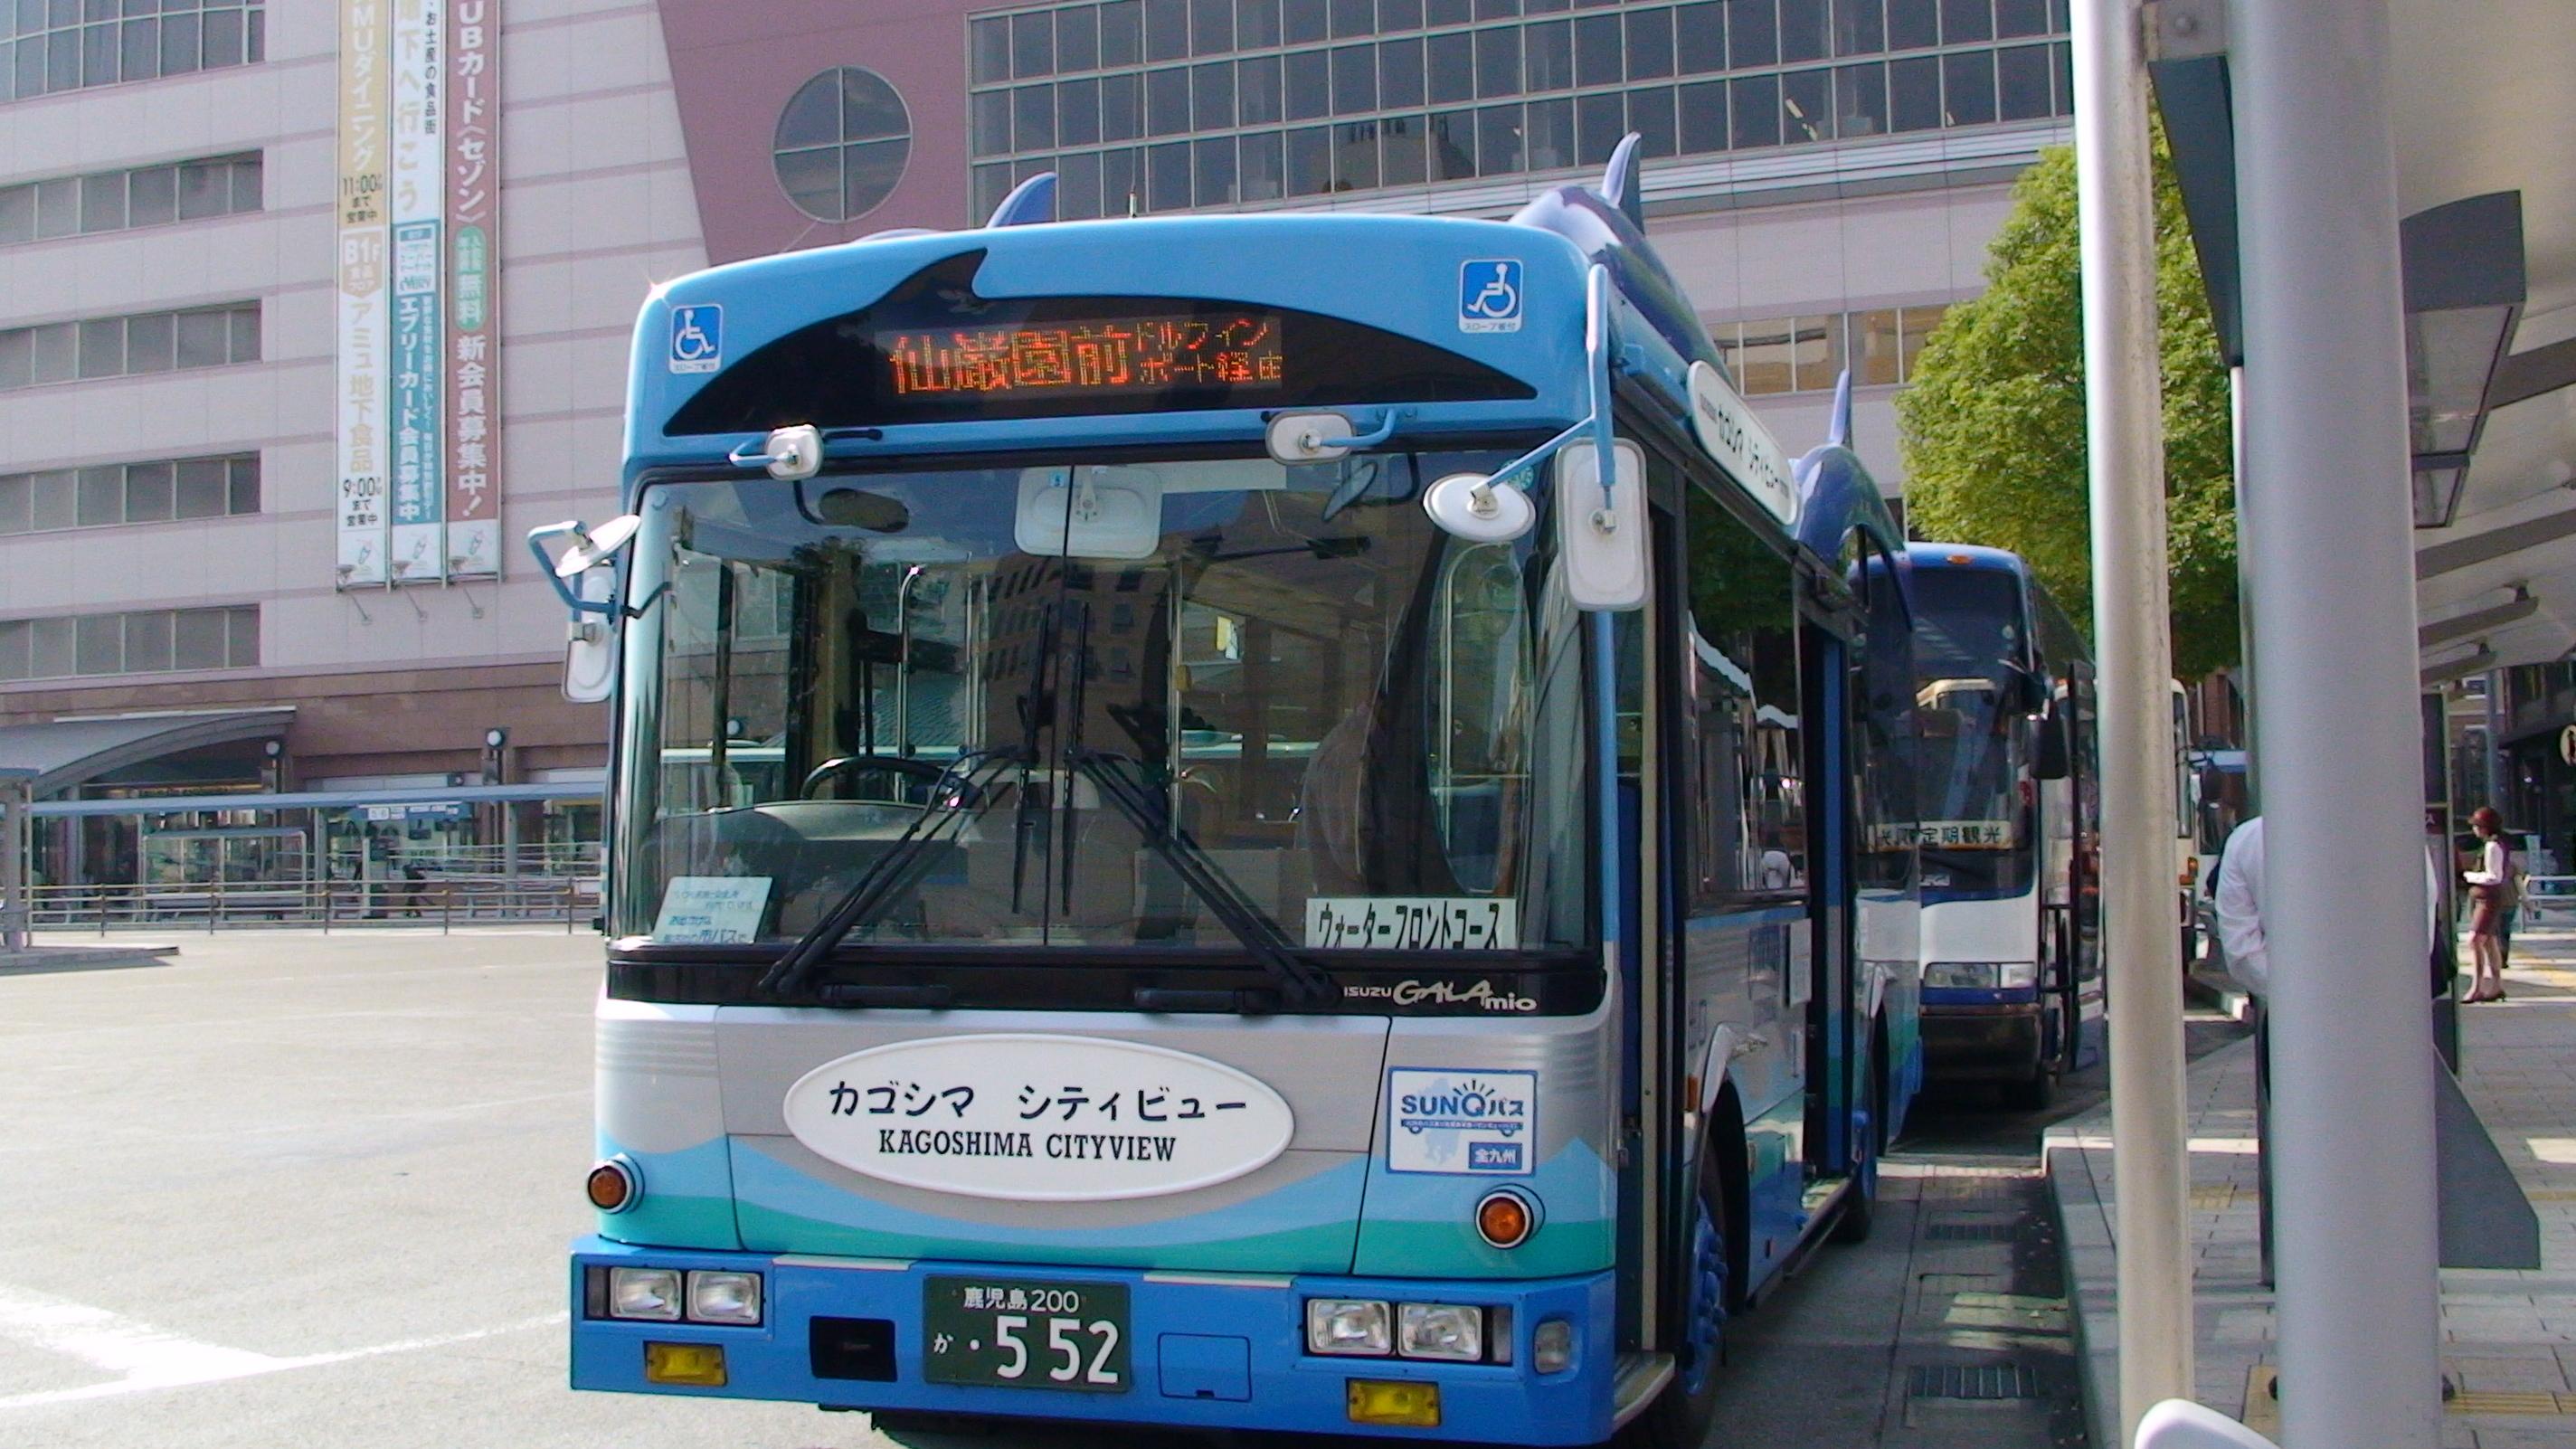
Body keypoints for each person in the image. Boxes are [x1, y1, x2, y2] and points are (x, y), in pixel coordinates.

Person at [2212, 815, 2441, 999]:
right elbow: (2417, 935)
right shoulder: (2399, 832)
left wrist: (2306, 995)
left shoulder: (2248, 839)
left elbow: (2242, 952)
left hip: (2293, 1019)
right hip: (2387, 1012)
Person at [2461, 805, 2517, 1002]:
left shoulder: (2492, 846)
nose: (2474, 829)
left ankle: (2477, 987)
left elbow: (2494, 876)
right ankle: (2495, 986)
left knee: (2475, 940)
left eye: (2477, 825)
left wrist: (2469, 876)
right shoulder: (2495, 844)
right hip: (2485, 898)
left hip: (2488, 898)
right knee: (2489, 942)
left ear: (2485, 827)